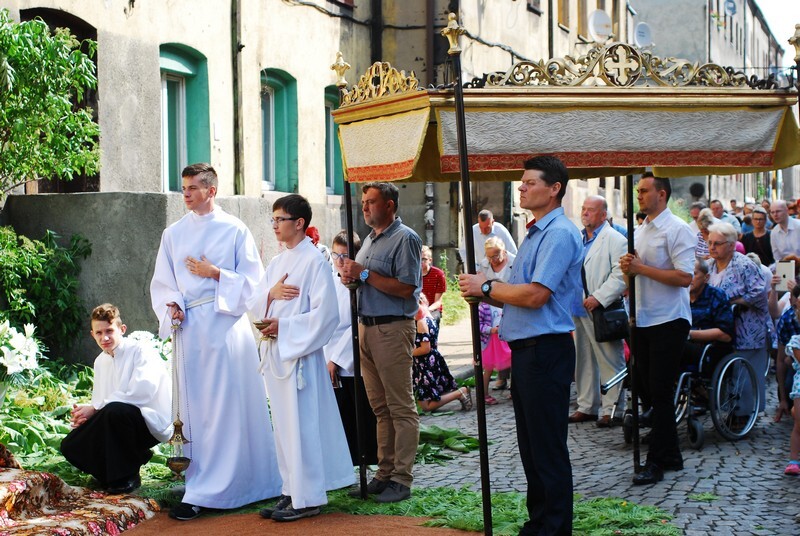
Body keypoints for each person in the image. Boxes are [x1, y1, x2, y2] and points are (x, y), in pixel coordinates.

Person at [150, 163, 281, 521]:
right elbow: (163, 281)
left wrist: (216, 273)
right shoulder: (173, 234)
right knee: (197, 410)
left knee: (225, 407)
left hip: (224, 327)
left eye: (192, 187)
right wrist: (173, 305)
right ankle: (199, 479)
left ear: (211, 190)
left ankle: (226, 485)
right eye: (183, 188)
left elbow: (255, 284)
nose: (186, 194)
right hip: (190, 330)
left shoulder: (234, 229)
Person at [459, 155, 582, 535]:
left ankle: (555, 527)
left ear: (554, 188)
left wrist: (487, 287)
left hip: (546, 349)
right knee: (532, 449)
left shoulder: (559, 233)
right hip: (529, 351)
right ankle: (539, 522)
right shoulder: (534, 233)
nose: (522, 187)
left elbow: (535, 296)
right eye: (522, 181)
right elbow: (514, 293)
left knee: (547, 449)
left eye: (530, 182)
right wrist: (484, 291)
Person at [253, 194, 354, 522]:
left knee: (302, 428)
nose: (274, 226)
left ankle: (308, 497)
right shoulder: (277, 263)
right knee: (283, 428)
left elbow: (327, 316)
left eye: (280, 219)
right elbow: (256, 302)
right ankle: (290, 490)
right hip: (277, 356)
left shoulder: (314, 261)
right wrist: (268, 310)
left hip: (300, 359)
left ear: (299, 223)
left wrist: (285, 326)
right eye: (273, 220)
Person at [339, 182, 422, 503]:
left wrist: (362, 275)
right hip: (366, 328)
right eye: (363, 202)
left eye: (371, 202)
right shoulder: (370, 241)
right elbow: (363, 279)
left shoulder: (406, 239)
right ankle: (384, 473)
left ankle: (402, 478)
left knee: (401, 407)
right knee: (380, 408)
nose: (364, 207)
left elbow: (407, 288)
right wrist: (350, 277)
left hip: (392, 328)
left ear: (389, 205)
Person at [620, 173, 695, 486]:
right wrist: (628, 271)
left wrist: (641, 269)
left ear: (661, 194)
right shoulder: (641, 228)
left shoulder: (677, 229)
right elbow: (634, 275)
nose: (639, 195)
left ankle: (655, 463)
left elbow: (684, 277)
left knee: (660, 391)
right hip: (643, 317)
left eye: (644, 190)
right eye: (637, 191)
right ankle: (672, 452)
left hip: (669, 318)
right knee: (643, 383)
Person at [60, 304, 172, 494]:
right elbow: (101, 401)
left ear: (122, 329)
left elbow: (142, 392)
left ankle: (128, 476)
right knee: (70, 445)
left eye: (109, 331)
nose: (104, 338)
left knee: (116, 411)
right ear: (92, 334)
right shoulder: (100, 361)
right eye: (99, 332)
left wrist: (95, 409)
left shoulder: (141, 351)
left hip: (150, 423)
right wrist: (86, 419)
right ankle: (115, 473)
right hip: (116, 421)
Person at [570, 195, 627, 428]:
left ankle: (612, 409)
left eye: (591, 210)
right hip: (577, 307)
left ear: (603, 215)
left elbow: (621, 275)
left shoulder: (615, 239)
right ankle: (587, 406)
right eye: (583, 209)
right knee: (583, 359)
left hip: (601, 308)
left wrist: (599, 297)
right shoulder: (578, 238)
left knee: (609, 359)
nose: (585, 213)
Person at [324, 230, 378, 466]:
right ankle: (342, 461)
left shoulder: (358, 285)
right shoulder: (329, 281)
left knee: (358, 414)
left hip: (350, 359)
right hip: (328, 357)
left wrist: (336, 358)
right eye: (335, 254)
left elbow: (356, 322)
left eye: (345, 255)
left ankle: (364, 460)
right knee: (338, 415)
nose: (340, 260)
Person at [706, 222, 770, 412]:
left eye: (717, 243)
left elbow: (760, 293)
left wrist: (736, 301)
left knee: (745, 371)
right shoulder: (708, 266)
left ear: (732, 245)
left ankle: (744, 412)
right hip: (719, 327)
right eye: (710, 243)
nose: (712, 247)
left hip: (746, 326)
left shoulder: (744, 265)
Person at [412, 296, 472, 412]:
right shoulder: (429, 317)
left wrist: (409, 353)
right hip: (428, 362)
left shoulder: (421, 322)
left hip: (425, 363)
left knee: (425, 405)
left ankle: (460, 393)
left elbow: (425, 348)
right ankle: (459, 393)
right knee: (425, 401)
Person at [479, 236, 516, 395]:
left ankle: (515, 384)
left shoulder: (514, 262)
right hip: (493, 308)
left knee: (512, 345)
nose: (493, 259)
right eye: (490, 256)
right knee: (498, 343)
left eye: (496, 255)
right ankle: (501, 378)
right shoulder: (484, 264)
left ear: (504, 251)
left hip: (512, 304)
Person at [683, 261, 735, 370]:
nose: (689, 277)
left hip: (709, 349)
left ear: (706, 278)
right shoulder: (679, 296)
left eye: (694, 273)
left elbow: (726, 335)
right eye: (686, 273)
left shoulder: (717, 296)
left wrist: (689, 334)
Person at [420, 245, 447, 327]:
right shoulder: (411, 274)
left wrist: (426, 311)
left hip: (432, 309)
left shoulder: (438, 274)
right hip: (415, 308)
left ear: (430, 260)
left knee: (430, 322)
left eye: (423, 259)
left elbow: (438, 302)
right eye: (418, 259)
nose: (420, 262)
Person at [770, 200, 800, 265]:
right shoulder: (774, 233)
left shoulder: (798, 226)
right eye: (772, 212)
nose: (775, 215)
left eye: (778, 211)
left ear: (786, 211)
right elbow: (777, 258)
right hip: (786, 269)